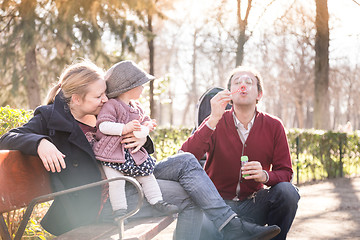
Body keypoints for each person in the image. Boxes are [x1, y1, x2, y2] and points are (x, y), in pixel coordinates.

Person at [0, 59, 279, 240]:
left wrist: (139, 138)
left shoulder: (104, 111)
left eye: (105, 94)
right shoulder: (51, 118)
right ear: (75, 99)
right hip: (102, 202)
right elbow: (7, 137)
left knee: (185, 162)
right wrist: (40, 142)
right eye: (99, 96)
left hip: (130, 179)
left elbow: (140, 142)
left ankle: (232, 227)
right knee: (192, 197)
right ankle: (233, 227)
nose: (104, 100)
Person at [181, 66, 300, 240]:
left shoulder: (274, 126)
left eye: (248, 82)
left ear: (259, 94)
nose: (242, 85)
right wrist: (213, 118)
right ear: (230, 93)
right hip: (216, 206)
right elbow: (185, 156)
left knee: (288, 192)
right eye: (237, 82)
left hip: (254, 204)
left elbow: (286, 173)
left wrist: (265, 175)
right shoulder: (216, 121)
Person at [93, 60, 178, 220]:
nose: (143, 88)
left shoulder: (137, 107)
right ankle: (120, 211)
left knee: (147, 175)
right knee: (116, 181)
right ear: (128, 88)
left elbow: (143, 121)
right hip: (111, 153)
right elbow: (103, 126)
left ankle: (158, 202)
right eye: (140, 85)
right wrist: (123, 129)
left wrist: (147, 126)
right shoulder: (112, 105)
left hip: (132, 153)